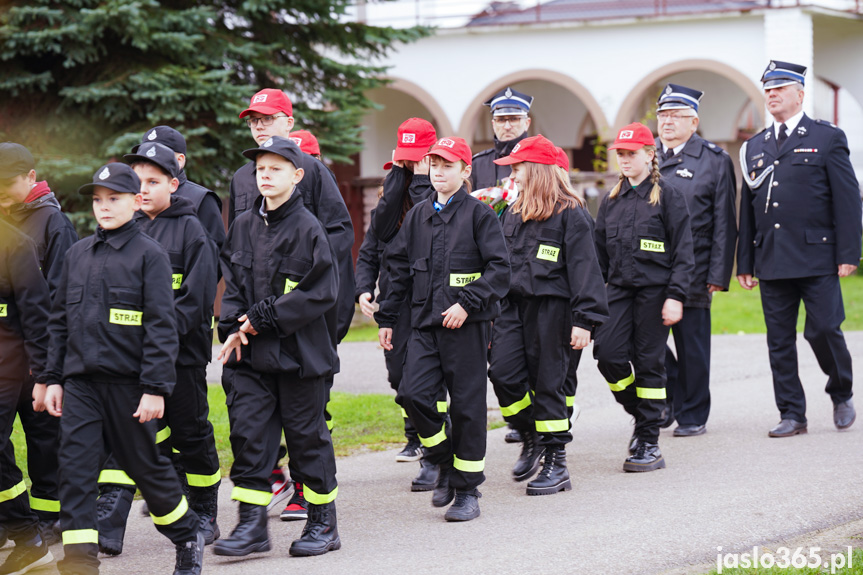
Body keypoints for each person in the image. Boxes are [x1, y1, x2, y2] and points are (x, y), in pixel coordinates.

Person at [43, 163, 204, 575]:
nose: (103, 207)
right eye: (97, 200)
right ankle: (79, 563)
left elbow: (162, 326)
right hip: (81, 386)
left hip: (131, 386)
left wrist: (154, 387)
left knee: (147, 470)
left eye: (113, 198)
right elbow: (58, 321)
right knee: (76, 473)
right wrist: (51, 378)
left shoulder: (151, 256)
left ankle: (187, 536)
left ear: (135, 202)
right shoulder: (77, 254)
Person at [228, 89, 354, 521]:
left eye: (267, 118)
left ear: (288, 120)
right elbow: (237, 257)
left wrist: (296, 295)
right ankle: (252, 522)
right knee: (251, 427)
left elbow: (334, 238)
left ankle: (315, 507)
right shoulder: (244, 177)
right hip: (254, 332)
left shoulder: (312, 173)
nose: (259, 125)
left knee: (306, 427)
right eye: (252, 120)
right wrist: (234, 320)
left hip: (300, 323)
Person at [214, 136, 340, 557]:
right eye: (260, 169)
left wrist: (265, 316)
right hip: (250, 356)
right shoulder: (245, 225)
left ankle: (323, 524)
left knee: (307, 440)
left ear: (297, 175)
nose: (265, 176)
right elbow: (232, 283)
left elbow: (321, 292)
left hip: (300, 358)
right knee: (249, 436)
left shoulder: (309, 229)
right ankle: (252, 526)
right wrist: (231, 325)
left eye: (276, 169)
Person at [376, 136, 510, 522]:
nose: (438, 171)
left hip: (466, 329)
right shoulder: (418, 215)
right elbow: (398, 269)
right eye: (434, 164)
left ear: (465, 171)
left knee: (467, 408)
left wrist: (468, 303)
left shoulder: (480, 215)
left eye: (447, 165)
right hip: (423, 325)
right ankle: (442, 461)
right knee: (413, 394)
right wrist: (387, 318)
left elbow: (500, 270)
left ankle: (467, 490)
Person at [737, 60, 861, 437]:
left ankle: (840, 392)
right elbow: (748, 209)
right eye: (768, 90)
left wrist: (847, 253)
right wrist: (745, 260)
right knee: (779, 340)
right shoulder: (754, 146)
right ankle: (792, 413)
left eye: (779, 89)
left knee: (823, 329)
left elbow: (848, 199)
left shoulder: (826, 137)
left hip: (817, 255)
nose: (771, 95)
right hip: (771, 257)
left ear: (799, 94)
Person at [488, 135, 608, 495]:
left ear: (536, 170)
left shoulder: (572, 213)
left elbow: (588, 270)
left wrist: (585, 321)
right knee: (504, 375)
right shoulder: (511, 210)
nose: (513, 175)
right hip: (513, 309)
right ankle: (531, 434)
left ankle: (557, 462)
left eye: (518, 168)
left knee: (549, 384)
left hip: (555, 311)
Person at [593, 123, 694, 472]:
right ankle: (641, 412)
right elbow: (598, 257)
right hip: (619, 291)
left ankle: (648, 441)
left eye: (630, 153)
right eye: (620, 153)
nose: (624, 159)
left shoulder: (668, 195)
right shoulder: (611, 200)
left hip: (656, 293)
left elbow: (684, 251)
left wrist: (676, 296)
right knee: (607, 354)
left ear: (649, 155)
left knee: (649, 361)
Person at [356, 118, 443, 490]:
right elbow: (371, 248)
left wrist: (424, 177)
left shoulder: (439, 191)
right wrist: (364, 287)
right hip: (395, 301)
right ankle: (421, 433)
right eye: (405, 159)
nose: (410, 166)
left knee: (426, 383)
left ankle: (433, 454)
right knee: (398, 377)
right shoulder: (391, 197)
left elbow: (429, 223)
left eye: (416, 159)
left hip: (431, 300)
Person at [0, 142, 77, 544]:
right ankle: (14, 521)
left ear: (31, 178)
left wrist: (47, 359)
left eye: (6, 184)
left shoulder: (53, 223)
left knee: (44, 438)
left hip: (38, 351)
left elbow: (59, 294)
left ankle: (49, 520)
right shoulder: (5, 215)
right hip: (5, 353)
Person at [654, 84, 738, 437]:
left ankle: (693, 414)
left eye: (675, 115)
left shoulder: (714, 160)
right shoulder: (648, 155)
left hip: (696, 266)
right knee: (644, 342)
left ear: (694, 121)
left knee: (692, 346)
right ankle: (672, 397)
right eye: (662, 115)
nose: (667, 121)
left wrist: (718, 273)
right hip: (651, 267)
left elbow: (724, 222)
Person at [0, 218, 55, 575]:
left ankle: (29, 538)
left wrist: (44, 375)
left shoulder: (15, 244)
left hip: (11, 367)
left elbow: (37, 313)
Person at [132, 126, 226, 253]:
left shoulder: (201, 199)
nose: (151, 158)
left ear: (180, 160)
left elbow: (215, 258)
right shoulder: (134, 199)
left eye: (159, 152)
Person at [470, 87, 534, 191]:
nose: (507, 126)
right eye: (501, 120)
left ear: (527, 123)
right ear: (493, 124)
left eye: (514, 119)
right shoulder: (478, 164)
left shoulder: (538, 162)